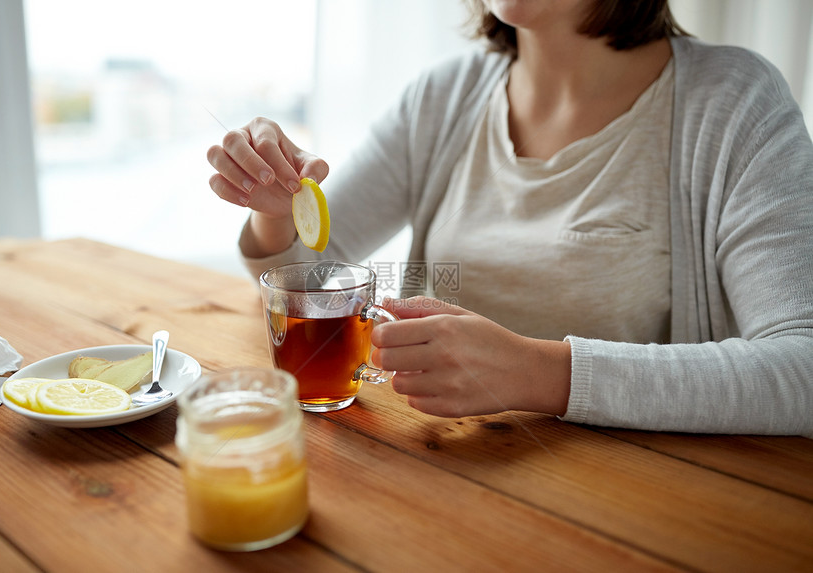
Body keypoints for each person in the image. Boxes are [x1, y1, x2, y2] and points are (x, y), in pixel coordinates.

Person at [206, 0, 813, 436]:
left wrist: (538, 374)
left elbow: (802, 369)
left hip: (639, 499)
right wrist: (276, 210)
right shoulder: (442, 96)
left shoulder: (735, 102)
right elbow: (302, 281)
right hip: (443, 465)